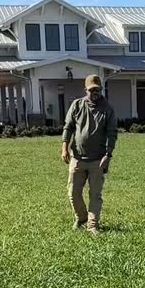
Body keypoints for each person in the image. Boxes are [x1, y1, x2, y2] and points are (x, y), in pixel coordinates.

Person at [61, 75, 117, 234]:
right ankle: (81, 218)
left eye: (98, 89)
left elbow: (112, 133)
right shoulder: (77, 105)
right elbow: (68, 127)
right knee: (73, 193)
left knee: (95, 194)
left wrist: (108, 155)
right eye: (92, 89)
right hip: (77, 157)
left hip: (97, 160)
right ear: (86, 90)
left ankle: (93, 225)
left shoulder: (107, 109)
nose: (95, 92)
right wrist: (65, 147)